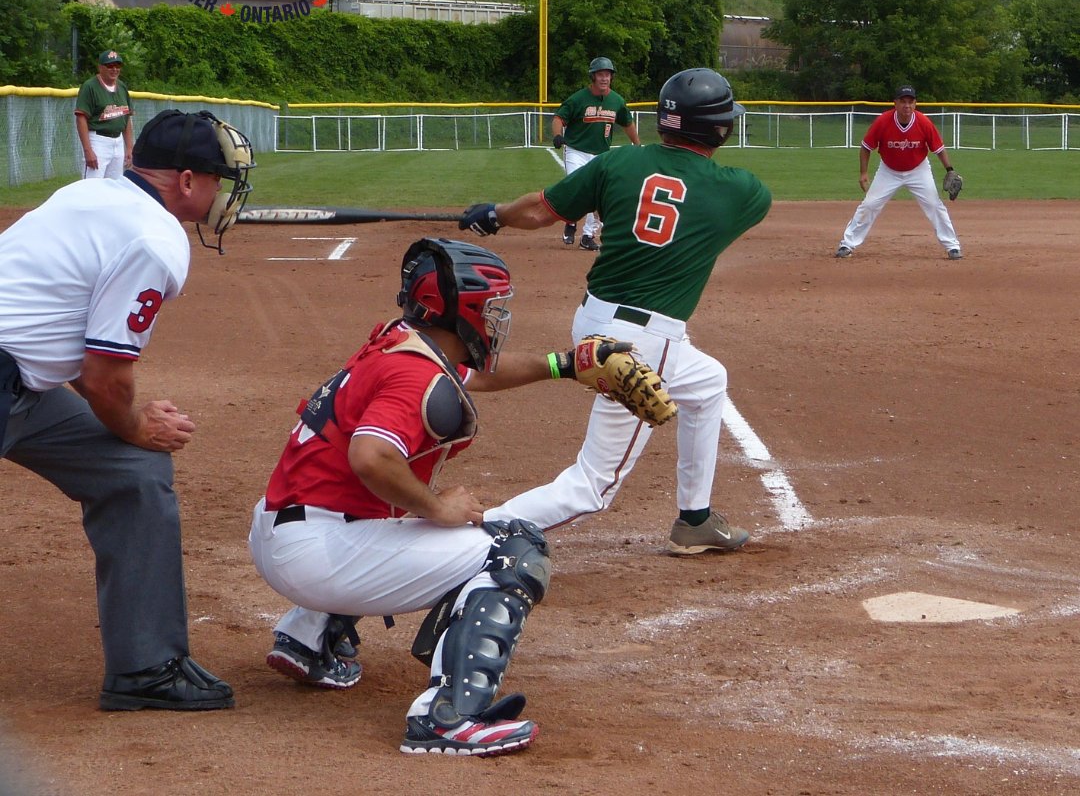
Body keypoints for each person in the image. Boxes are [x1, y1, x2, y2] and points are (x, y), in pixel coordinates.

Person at [251, 238, 573, 757]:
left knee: (395, 519)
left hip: (282, 529)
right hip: (319, 553)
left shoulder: (400, 340)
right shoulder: (415, 373)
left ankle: (308, 639)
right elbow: (371, 456)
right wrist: (436, 505)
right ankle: (447, 719)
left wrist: (566, 365)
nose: (496, 319)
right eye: (491, 309)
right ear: (461, 307)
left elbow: (475, 377)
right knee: (513, 548)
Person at [0, 108, 254, 711]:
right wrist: (138, 423)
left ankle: (146, 667)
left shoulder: (91, 194)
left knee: (132, 471)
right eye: (219, 179)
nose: (223, 193)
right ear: (188, 181)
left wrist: (130, 430)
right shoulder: (155, 238)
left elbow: (80, 355)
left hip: (21, 385)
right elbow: (105, 378)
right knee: (133, 443)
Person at [459, 68, 771, 555]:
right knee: (593, 485)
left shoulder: (618, 163)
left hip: (595, 317)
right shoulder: (744, 190)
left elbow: (541, 211)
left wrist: (494, 214)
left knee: (708, 382)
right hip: (642, 341)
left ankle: (695, 519)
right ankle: (465, 534)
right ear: (718, 129)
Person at [834, 84, 962, 260]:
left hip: (918, 170)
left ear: (915, 104)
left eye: (910, 102)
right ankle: (847, 244)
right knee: (870, 205)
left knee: (934, 205)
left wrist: (950, 169)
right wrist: (863, 173)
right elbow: (865, 148)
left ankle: (952, 246)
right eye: (903, 101)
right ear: (895, 103)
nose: (907, 106)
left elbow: (938, 149)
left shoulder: (923, 122)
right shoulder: (883, 121)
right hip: (889, 171)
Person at [550, 56, 640, 250]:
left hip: (601, 154)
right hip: (576, 151)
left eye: (608, 74)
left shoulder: (616, 101)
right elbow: (559, 117)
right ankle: (571, 220)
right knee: (578, 189)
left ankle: (588, 236)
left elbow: (627, 123)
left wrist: (637, 145)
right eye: (600, 74)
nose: (604, 78)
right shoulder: (578, 99)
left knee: (598, 194)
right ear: (593, 76)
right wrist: (558, 135)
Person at [75, 49, 135, 179]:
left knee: (114, 187)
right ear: (100, 67)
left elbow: (126, 119)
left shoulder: (122, 87)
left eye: (117, 65)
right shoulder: (90, 87)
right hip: (98, 141)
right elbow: (81, 118)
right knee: (92, 188)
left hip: (118, 142)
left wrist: (129, 147)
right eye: (110, 66)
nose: (114, 69)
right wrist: (88, 150)